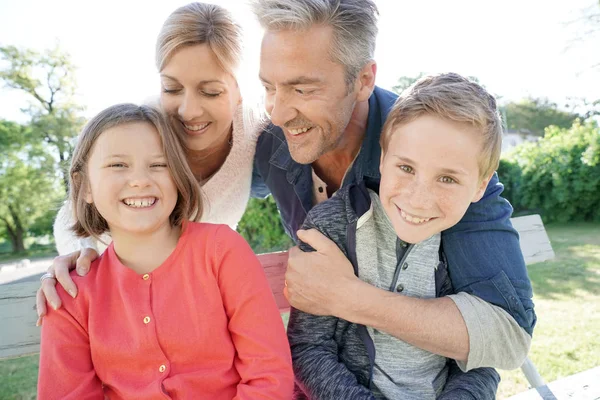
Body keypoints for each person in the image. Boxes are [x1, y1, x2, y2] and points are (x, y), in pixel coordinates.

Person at [41, 1, 535, 397]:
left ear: (363, 79)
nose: (277, 112)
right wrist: (86, 246)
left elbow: (507, 335)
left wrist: (350, 298)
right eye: (268, 88)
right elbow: (153, 157)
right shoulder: (271, 142)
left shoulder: (433, 155)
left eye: (302, 88)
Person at [287, 73, 532, 399]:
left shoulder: (459, 245)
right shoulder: (333, 227)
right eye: (406, 168)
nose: (419, 198)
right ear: (384, 159)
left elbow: (478, 359)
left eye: (447, 179)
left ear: (480, 186)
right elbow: (308, 347)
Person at [37, 103, 294, 399]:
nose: (140, 180)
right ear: (85, 187)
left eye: (159, 165)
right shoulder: (69, 294)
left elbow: (268, 376)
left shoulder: (221, 251)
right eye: (118, 165)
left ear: (178, 176)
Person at [40, 2, 263, 311]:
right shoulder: (143, 127)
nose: (188, 111)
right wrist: (80, 252)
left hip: (200, 294)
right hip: (121, 297)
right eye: (171, 88)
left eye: (211, 92)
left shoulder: (257, 128)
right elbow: (72, 214)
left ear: (242, 89)